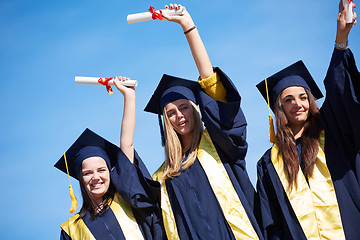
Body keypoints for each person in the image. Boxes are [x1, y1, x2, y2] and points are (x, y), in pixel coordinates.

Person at [145, 4, 264, 240]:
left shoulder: (219, 144)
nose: (179, 115)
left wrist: (188, 27)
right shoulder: (163, 177)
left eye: (184, 108)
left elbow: (211, 85)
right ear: (165, 122)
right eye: (170, 113)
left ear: (197, 109)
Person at [255, 2, 359, 239]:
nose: (298, 104)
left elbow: (340, 91)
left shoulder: (332, 135)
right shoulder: (269, 163)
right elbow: (272, 224)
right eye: (289, 100)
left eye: (303, 97)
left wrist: (341, 40)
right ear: (279, 108)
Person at [54, 77, 166, 240]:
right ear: (80, 178)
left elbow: (127, 145)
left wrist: (129, 97)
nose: (96, 177)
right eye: (88, 173)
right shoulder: (72, 230)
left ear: (110, 172)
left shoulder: (128, 201)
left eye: (101, 170)